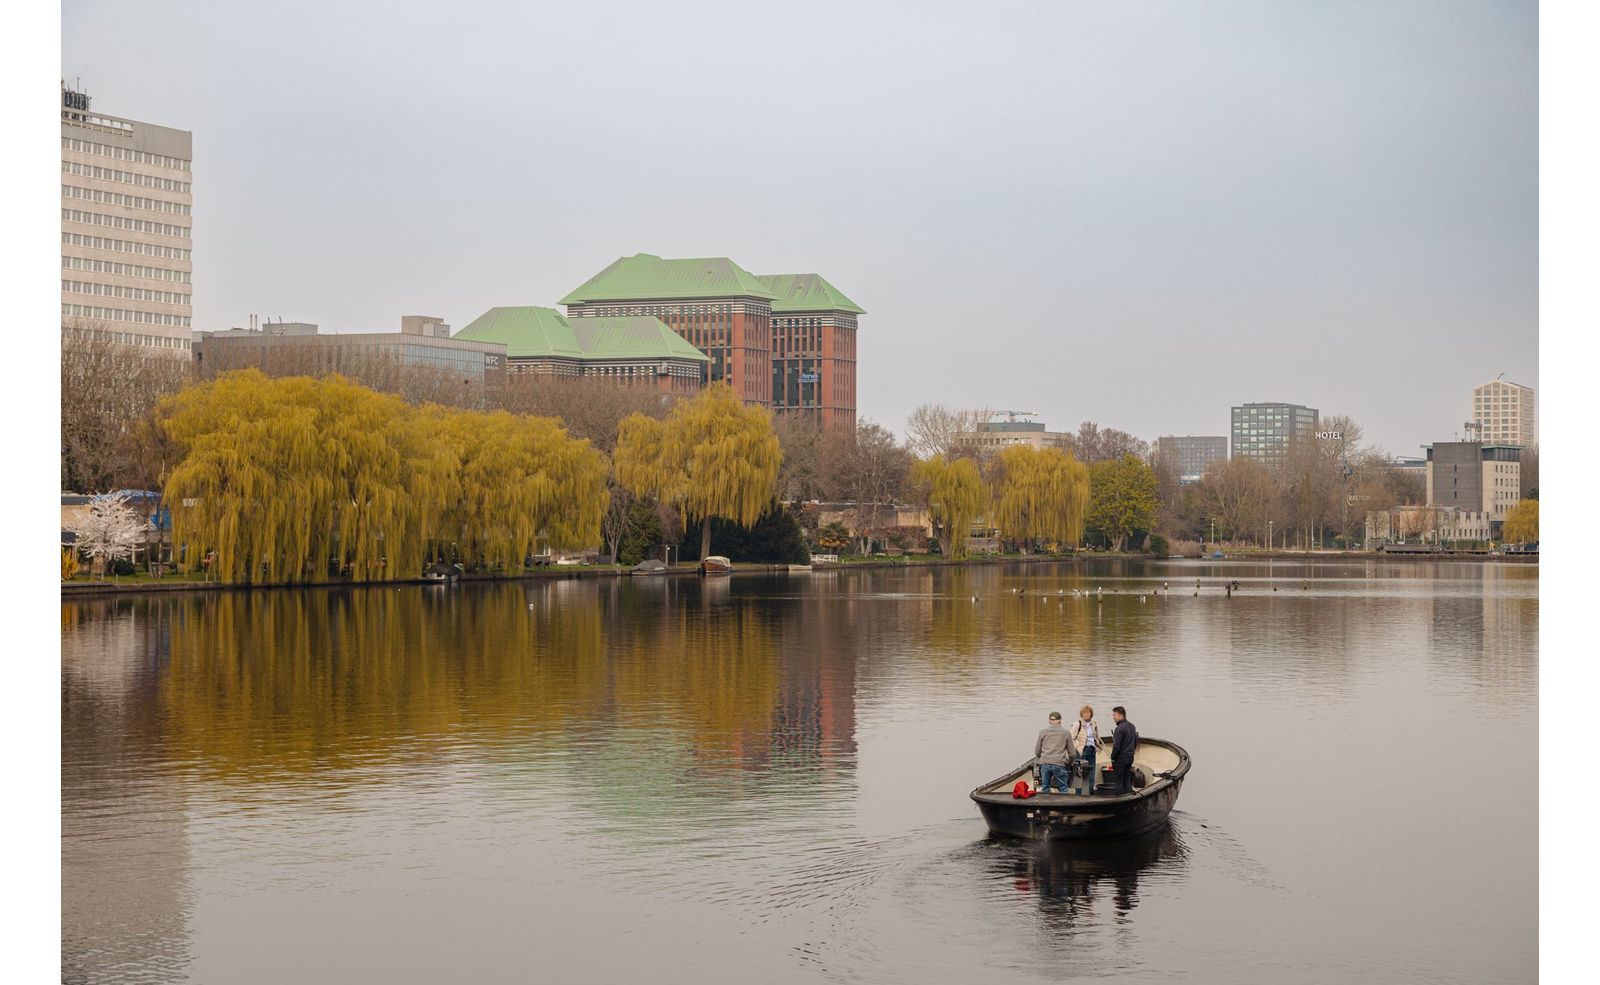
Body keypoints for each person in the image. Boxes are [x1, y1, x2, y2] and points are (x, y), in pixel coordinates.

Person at [1034, 711, 1073, 794]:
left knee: (1045, 788)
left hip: (1045, 763)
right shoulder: (1066, 733)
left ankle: (1045, 806)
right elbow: (1072, 753)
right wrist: (1068, 764)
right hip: (1059, 764)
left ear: (1049, 721)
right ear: (1060, 720)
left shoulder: (1042, 732)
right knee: (1063, 789)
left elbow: (1037, 751)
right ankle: (1064, 806)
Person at [1069, 705, 1099, 795]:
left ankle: (1090, 794)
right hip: (1082, 751)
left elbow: (1096, 737)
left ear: (1091, 714)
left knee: (1091, 774)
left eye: (1088, 712)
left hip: (1092, 750)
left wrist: (1096, 745)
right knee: (1080, 775)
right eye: (1084, 713)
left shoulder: (1094, 724)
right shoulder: (1077, 724)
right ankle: (1079, 796)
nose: (1086, 714)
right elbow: (1071, 738)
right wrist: (1077, 747)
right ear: (1081, 714)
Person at [1110, 706, 1139, 795]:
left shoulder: (1119, 729)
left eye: (1115, 715)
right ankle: (1129, 798)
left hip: (1120, 759)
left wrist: (1113, 757)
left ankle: (1120, 799)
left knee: (1118, 781)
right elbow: (1135, 742)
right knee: (1127, 779)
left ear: (1121, 715)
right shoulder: (1132, 726)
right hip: (1130, 757)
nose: (1113, 717)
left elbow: (1116, 746)